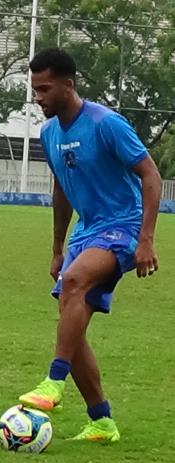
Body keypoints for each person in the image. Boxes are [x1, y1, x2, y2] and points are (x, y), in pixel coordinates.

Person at [17, 48, 162, 443]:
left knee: (76, 283)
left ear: (68, 84)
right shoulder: (49, 135)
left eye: (45, 89)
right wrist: (57, 248)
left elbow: (151, 175)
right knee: (72, 316)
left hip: (123, 226)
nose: (39, 97)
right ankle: (101, 421)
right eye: (35, 90)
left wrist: (146, 239)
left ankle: (53, 382)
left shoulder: (105, 124)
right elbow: (62, 190)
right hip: (87, 232)